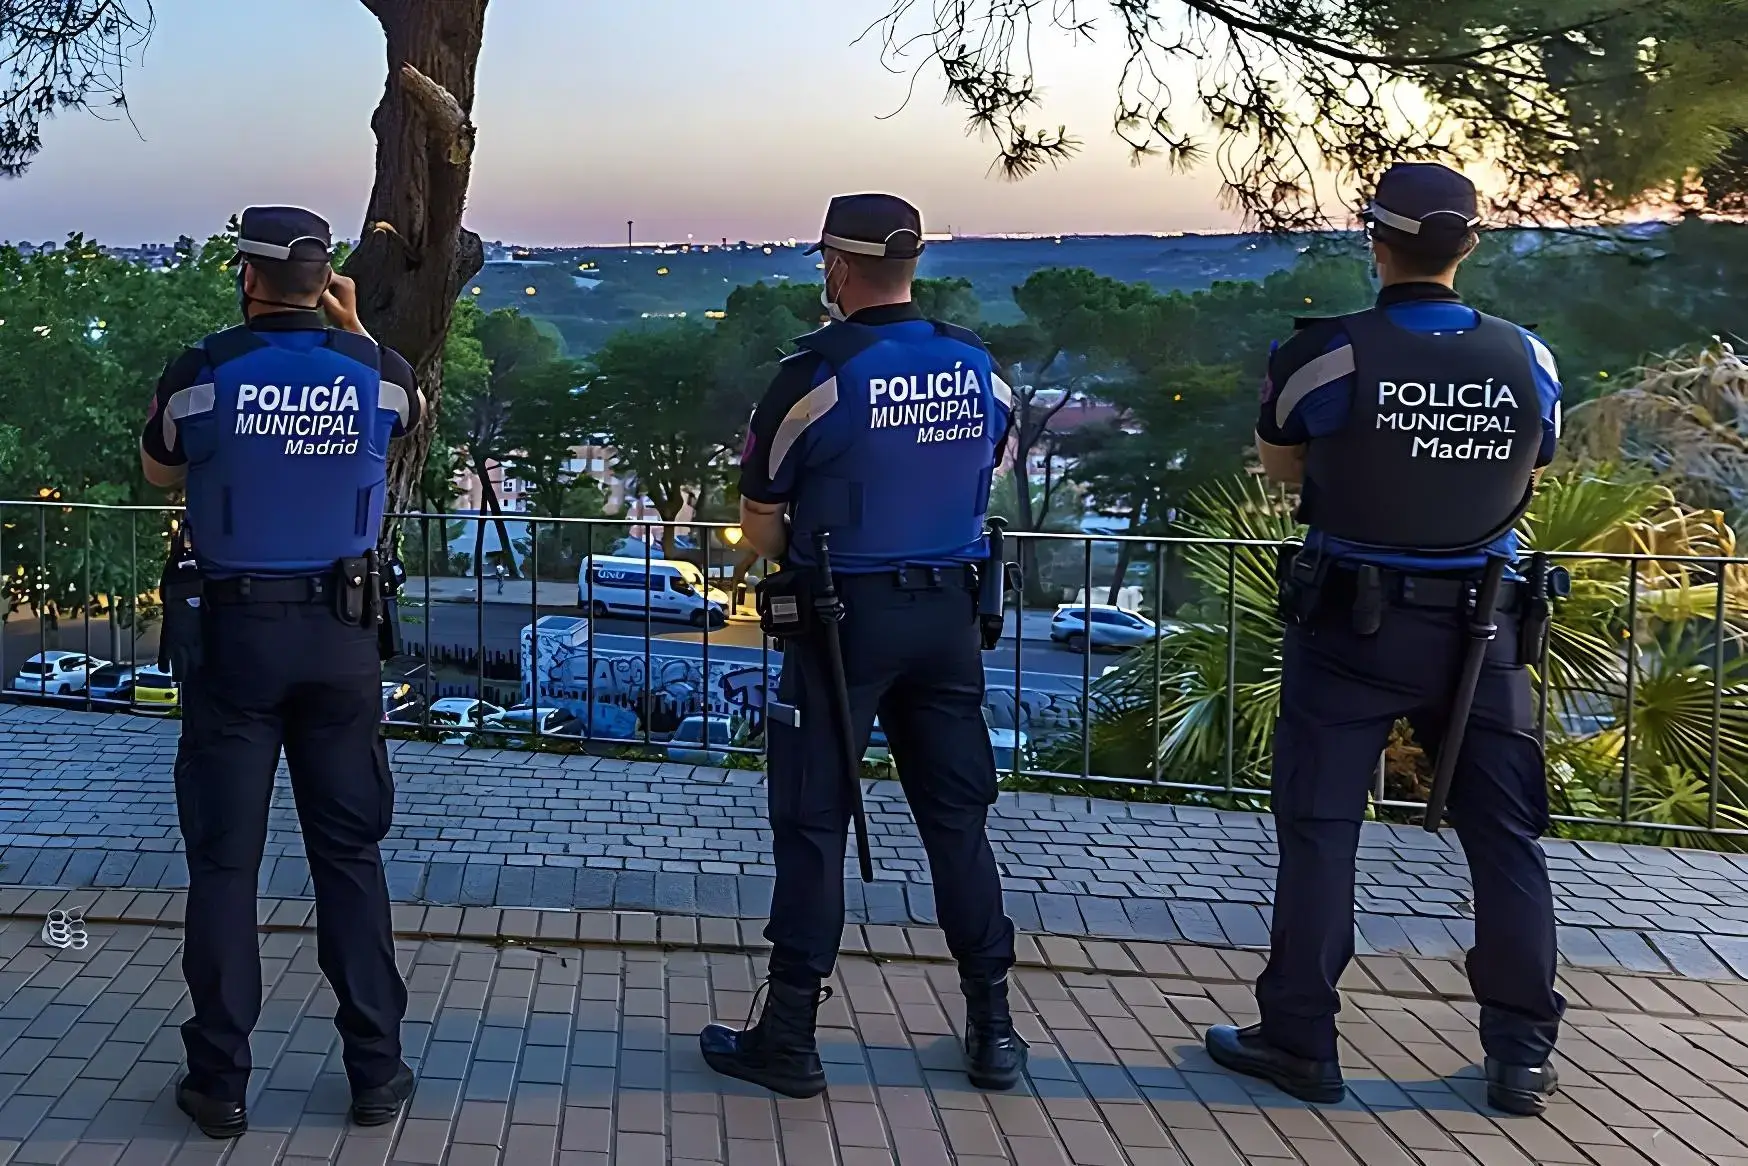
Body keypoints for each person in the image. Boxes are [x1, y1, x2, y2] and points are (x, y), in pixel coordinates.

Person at [1202, 163, 1566, 1117]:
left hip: (1352, 627)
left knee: (1322, 834)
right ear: (1470, 246)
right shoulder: (1529, 356)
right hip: (1486, 627)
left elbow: (1284, 471)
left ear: (1375, 240)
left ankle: (1301, 1040)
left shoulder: (1325, 355)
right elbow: (1537, 458)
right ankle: (1521, 1054)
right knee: (1507, 840)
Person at [699, 193, 1024, 1098]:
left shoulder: (816, 373)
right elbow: (980, 469)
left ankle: (791, 1036)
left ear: (837, 268)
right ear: (909, 265)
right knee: (958, 822)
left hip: (846, 624)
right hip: (950, 618)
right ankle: (992, 1028)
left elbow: (759, 520)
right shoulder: (978, 366)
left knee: (812, 825)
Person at [139, 207, 420, 1138]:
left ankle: (218, 1081)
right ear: (321, 279)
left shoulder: (206, 370)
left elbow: (158, 470)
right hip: (343, 642)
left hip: (236, 640)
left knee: (226, 865)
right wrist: (354, 329)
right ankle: (376, 1072)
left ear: (246, 276)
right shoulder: (377, 374)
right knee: (349, 857)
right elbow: (409, 408)